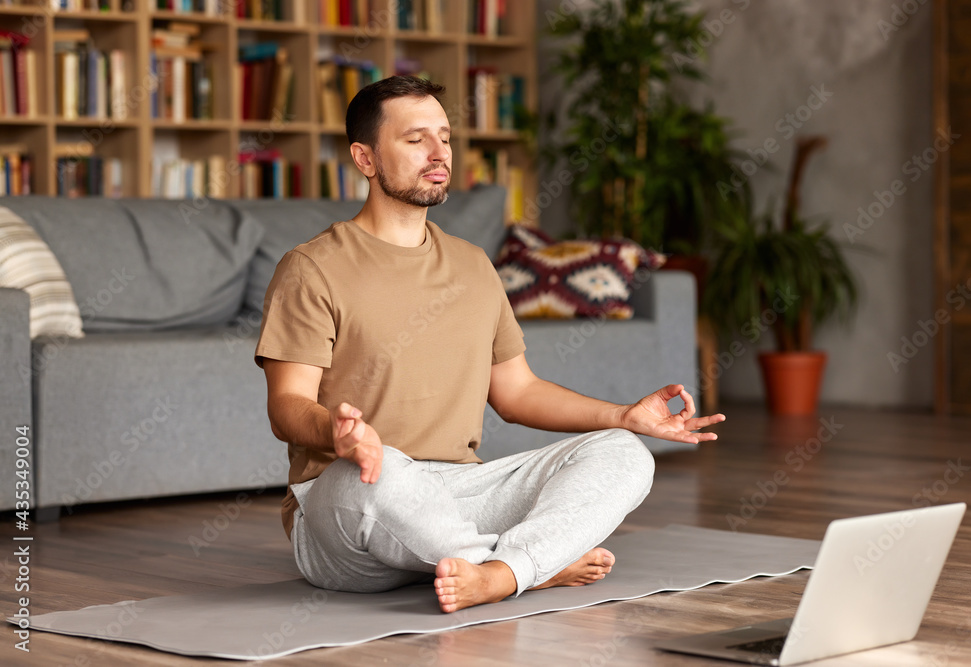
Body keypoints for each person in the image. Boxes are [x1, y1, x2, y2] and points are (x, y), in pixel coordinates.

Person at [254, 75, 725, 613]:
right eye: (415, 139)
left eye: (445, 137)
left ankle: (497, 572)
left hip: (461, 494)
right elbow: (285, 405)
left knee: (624, 453)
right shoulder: (312, 267)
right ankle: (529, 565)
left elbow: (517, 391)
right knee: (379, 473)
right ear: (365, 159)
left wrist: (622, 416)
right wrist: (336, 435)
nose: (439, 153)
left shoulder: (474, 266)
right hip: (348, 502)